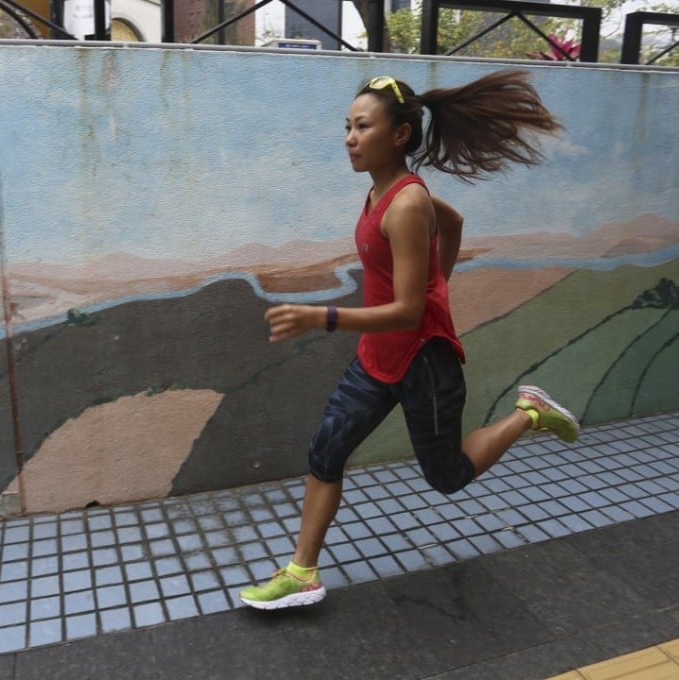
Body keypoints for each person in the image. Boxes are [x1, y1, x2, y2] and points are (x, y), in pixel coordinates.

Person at [239, 70, 580, 610]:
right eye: (347, 126)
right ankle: (302, 573)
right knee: (326, 451)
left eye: (363, 126)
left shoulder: (405, 202)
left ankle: (529, 413)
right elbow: (458, 223)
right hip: (378, 358)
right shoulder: (382, 192)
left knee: (446, 476)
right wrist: (436, 284)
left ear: (398, 135)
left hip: (423, 360)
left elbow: (406, 313)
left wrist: (321, 316)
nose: (350, 137)